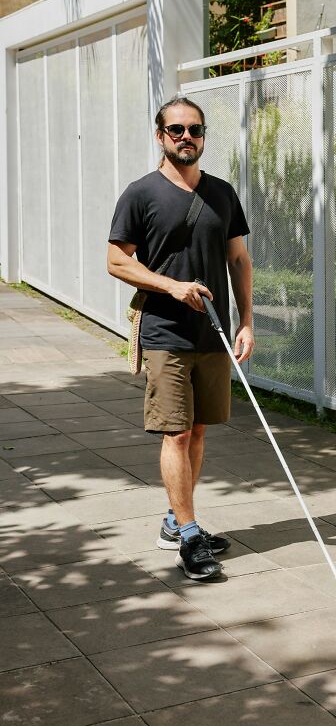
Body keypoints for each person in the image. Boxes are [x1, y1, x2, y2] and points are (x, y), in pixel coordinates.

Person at [107, 95, 254, 582]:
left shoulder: (222, 193)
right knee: (177, 431)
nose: (187, 137)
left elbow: (238, 259)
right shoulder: (141, 194)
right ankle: (189, 536)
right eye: (177, 129)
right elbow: (116, 260)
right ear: (161, 136)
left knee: (200, 430)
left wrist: (247, 321)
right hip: (165, 332)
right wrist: (171, 286)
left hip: (212, 332)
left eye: (195, 129)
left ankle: (176, 520)